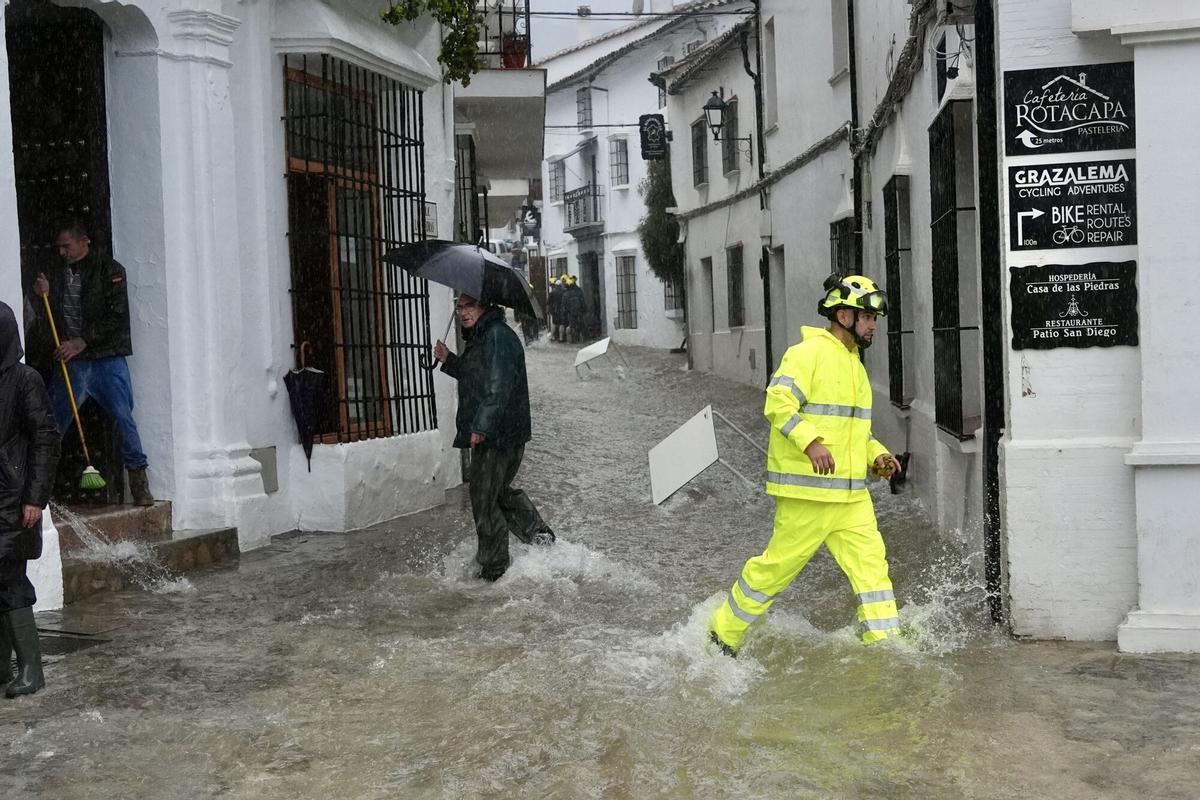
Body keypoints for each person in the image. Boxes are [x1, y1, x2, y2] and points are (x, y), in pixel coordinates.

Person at [708, 274, 905, 657]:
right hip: (808, 494)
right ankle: (722, 635)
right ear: (844, 316)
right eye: (867, 318)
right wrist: (811, 442)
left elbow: (855, 434)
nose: (874, 326)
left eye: (874, 319)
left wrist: (877, 457)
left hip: (850, 498)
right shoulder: (807, 354)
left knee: (873, 572)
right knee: (776, 569)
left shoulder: (855, 367)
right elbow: (777, 401)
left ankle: (887, 650)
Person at [31, 221, 153, 506]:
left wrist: (81, 341)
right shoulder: (56, 273)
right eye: (59, 247)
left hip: (105, 359)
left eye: (67, 246)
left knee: (123, 418)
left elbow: (116, 317)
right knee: (52, 423)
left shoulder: (110, 271)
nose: (62, 252)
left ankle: (138, 482)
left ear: (84, 241)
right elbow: (46, 316)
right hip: (72, 363)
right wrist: (43, 295)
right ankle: (39, 488)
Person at [433, 294, 554, 581]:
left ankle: (494, 567)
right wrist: (448, 359)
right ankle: (540, 538)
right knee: (497, 492)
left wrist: (482, 427)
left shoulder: (497, 337)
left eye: (469, 306)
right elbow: (476, 377)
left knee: (484, 497)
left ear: (484, 306)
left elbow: (498, 387)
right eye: (459, 307)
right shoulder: (483, 336)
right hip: (500, 432)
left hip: (498, 435)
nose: (463, 313)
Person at [0, 302, 60, 697]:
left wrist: (35, 499)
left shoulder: (25, 380)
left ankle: (31, 671)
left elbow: (45, 439)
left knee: (8, 578)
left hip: (13, 495)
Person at [560, 275, 586, 343]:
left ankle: (571, 342)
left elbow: (563, 306)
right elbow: (583, 302)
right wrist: (584, 310)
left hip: (570, 314)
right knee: (580, 327)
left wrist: (563, 315)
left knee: (571, 328)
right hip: (579, 313)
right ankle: (581, 340)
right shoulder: (579, 291)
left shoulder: (565, 294)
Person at [547, 276, 565, 342]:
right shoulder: (563, 292)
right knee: (561, 324)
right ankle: (561, 338)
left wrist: (549, 310)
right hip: (561, 310)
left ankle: (552, 337)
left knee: (554, 323)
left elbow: (548, 302)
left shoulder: (552, 293)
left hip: (554, 310)